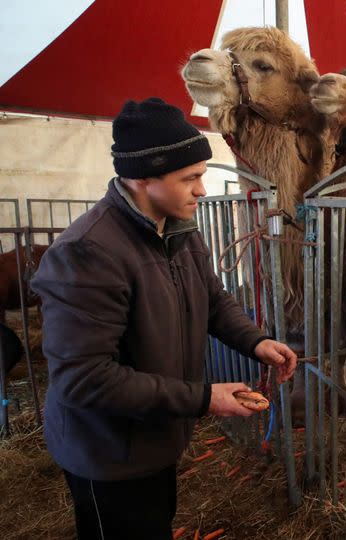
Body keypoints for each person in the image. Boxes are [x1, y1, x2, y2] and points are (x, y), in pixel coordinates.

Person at [31, 97, 297, 539]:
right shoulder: (87, 254)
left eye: (201, 176)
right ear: (141, 178)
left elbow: (212, 299)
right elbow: (85, 378)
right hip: (108, 454)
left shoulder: (178, 231)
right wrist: (203, 398)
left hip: (153, 438)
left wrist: (255, 342)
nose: (202, 190)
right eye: (189, 178)